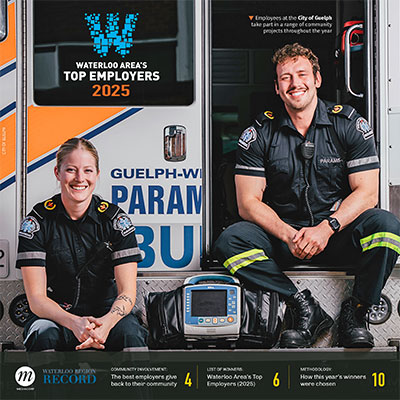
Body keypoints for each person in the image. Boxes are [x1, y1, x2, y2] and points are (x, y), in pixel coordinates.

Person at [214, 43, 400, 348]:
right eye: (285, 78)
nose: (294, 83)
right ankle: (303, 306)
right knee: (230, 242)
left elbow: (367, 193)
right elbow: (248, 203)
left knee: (387, 227)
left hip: (336, 233)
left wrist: (326, 228)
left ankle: (357, 311)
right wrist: (289, 235)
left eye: (301, 74)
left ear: (317, 79)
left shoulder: (349, 124)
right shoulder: (260, 133)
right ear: (276, 88)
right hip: (284, 237)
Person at [16, 138, 148, 351]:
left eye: (87, 170)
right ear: (57, 173)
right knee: (42, 333)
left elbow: (127, 294)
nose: (80, 178)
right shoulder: (37, 223)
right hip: (55, 315)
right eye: (71, 170)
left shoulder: (115, 221)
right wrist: (74, 323)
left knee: (131, 334)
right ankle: (43, 387)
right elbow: (37, 299)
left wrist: (105, 325)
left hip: (107, 315)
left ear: (97, 174)